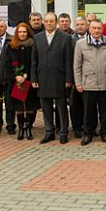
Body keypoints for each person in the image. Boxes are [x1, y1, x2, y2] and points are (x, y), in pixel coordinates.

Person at [31, 12, 74, 144]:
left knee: (61, 106)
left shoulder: (65, 38)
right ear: (44, 22)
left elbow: (69, 60)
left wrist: (69, 79)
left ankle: (63, 132)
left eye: (52, 21)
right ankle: (49, 131)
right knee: (46, 107)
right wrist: (34, 79)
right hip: (42, 77)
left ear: (56, 23)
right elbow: (34, 60)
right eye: (47, 21)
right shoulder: (37, 38)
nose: (49, 23)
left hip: (59, 77)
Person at [74, 19, 106, 146]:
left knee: (105, 111)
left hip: (105, 83)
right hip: (88, 84)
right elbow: (77, 66)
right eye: (94, 28)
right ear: (89, 29)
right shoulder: (81, 44)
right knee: (88, 111)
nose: (97, 31)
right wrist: (78, 83)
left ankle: (105, 133)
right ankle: (88, 134)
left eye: (99, 28)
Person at [5, 23, 39, 140]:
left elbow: (35, 62)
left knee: (29, 105)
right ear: (16, 33)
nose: (22, 34)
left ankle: (28, 128)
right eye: (20, 32)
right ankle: (20, 129)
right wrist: (16, 76)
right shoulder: (11, 46)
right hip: (16, 82)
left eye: (24, 32)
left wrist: (26, 75)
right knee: (19, 107)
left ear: (28, 33)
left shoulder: (33, 45)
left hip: (29, 80)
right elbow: (7, 64)